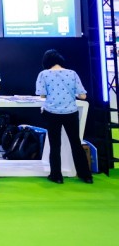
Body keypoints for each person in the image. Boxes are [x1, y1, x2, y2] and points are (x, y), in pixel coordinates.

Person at [35, 49, 93, 184]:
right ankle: (86, 175)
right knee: (76, 143)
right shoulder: (72, 73)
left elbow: (42, 95)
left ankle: (56, 176)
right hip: (71, 112)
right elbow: (83, 95)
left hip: (52, 112)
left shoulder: (44, 74)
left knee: (55, 145)